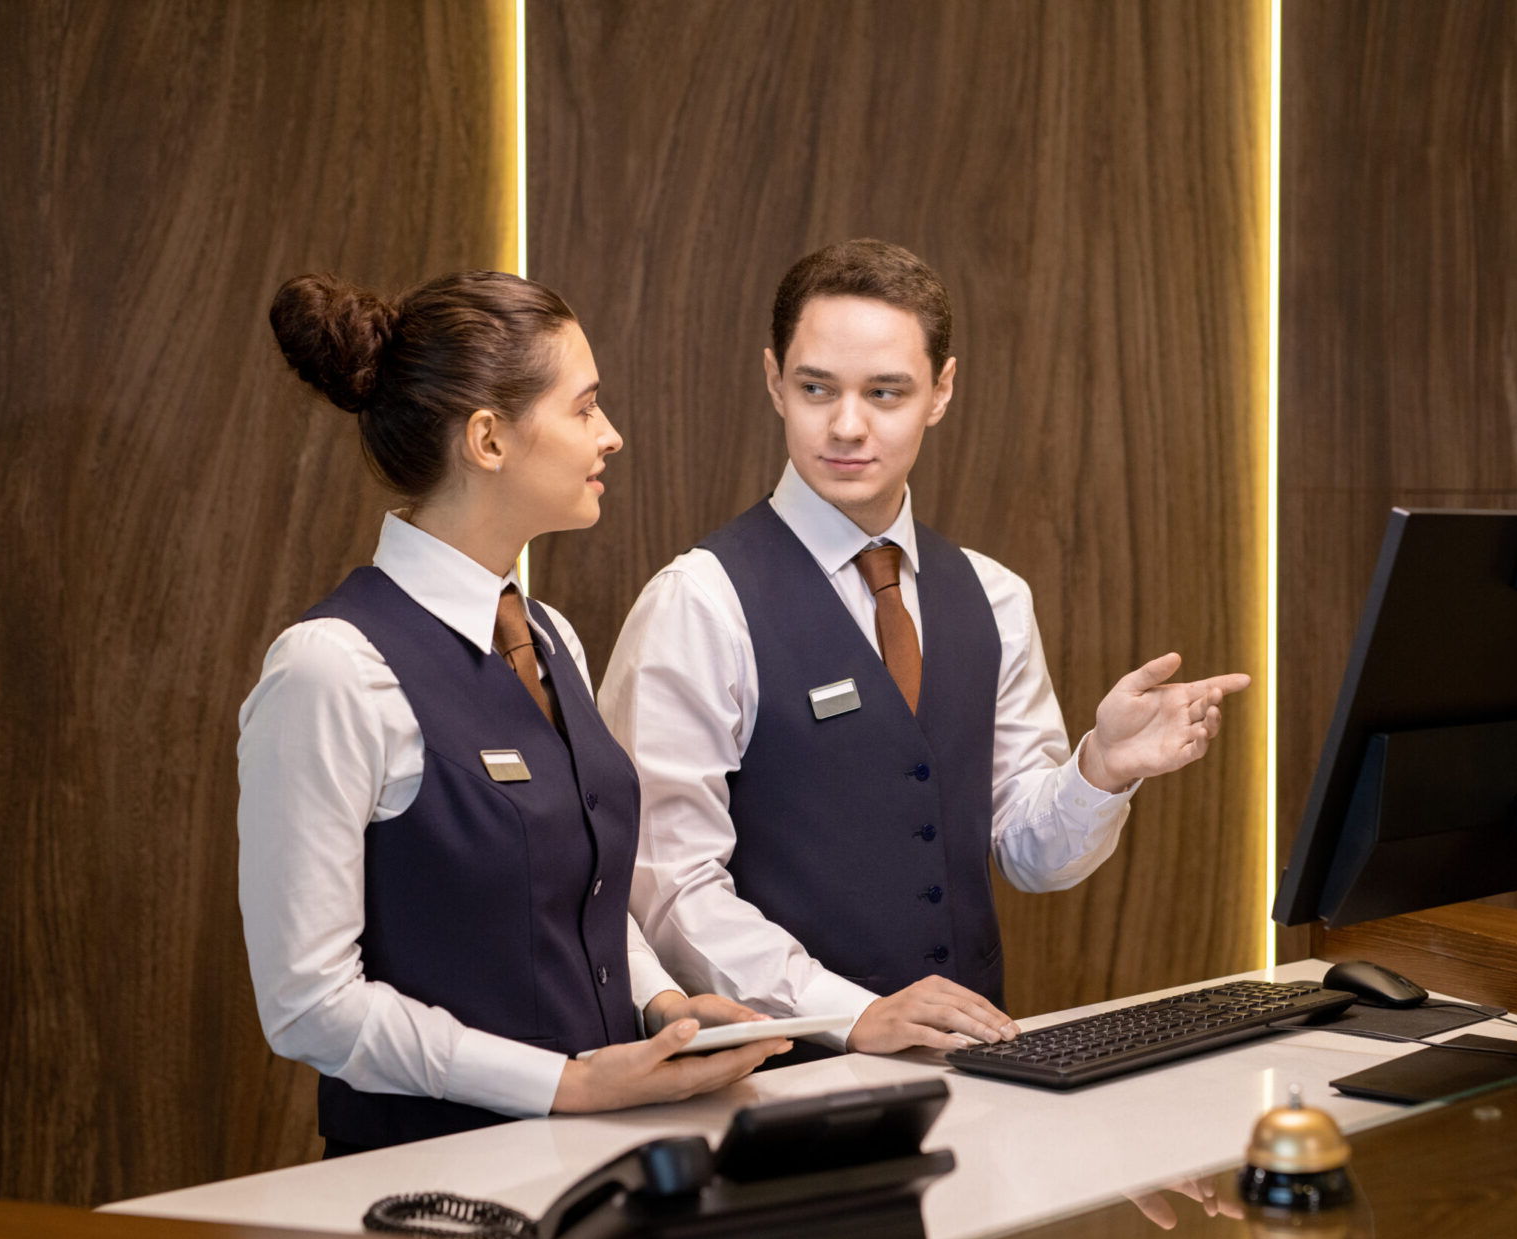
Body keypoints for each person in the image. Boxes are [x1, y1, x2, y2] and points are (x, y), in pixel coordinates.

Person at [599, 240, 1250, 1056]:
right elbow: (668, 888)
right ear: (774, 383)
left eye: (885, 392)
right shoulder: (698, 603)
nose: (846, 425)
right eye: (815, 389)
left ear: (940, 392)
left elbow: (1029, 856)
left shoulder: (995, 596)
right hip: (776, 1077)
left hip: (975, 1071)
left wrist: (1101, 771)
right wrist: (847, 1013)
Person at [240, 271, 786, 1157]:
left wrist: (665, 1004)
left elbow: (577, 898)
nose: (611, 437)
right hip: (436, 1191)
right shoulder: (331, 671)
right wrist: (561, 1085)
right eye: (585, 409)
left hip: (604, 1160)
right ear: (489, 439)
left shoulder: (549, 635)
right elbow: (310, 1008)